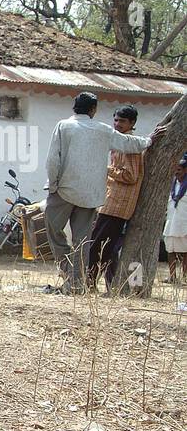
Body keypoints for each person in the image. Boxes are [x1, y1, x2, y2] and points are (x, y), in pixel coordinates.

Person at [45, 92, 161, 293]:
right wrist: (149, 140)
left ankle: (70, 271)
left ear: (75, 107)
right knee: (83, 243)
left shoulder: (64, 126)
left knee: (54, 230)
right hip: (91, 195)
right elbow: (130, 143)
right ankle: (77, 282)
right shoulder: (103, 130)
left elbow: (53, 159)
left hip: (64, 189)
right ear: (93, 110)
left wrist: (53, 185)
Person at [86, 106, 144, 293]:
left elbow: (131, 176)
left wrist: (106, 169)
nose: (118, 124)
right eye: (116, 120)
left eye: (123, 121)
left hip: (118, 204)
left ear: (132, 123)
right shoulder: (119, 143)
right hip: (110, 201)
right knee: (107, 247)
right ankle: (112, 285)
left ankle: (90, 282)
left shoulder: (131, 145)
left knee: (98, 245)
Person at [166, 153, 187, 284]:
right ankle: (172, 276)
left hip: (184, 222)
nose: (176, 172)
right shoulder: (172, 184)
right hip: (171, 221)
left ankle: (185, 277)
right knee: (170, 249)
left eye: (179, 169)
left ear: (186, 170)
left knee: (186, 251)